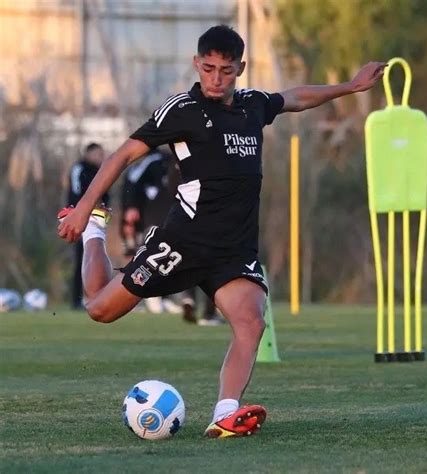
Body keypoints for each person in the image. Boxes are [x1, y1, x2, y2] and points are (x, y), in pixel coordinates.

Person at [58, 25, 385, 438]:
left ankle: (224, 414)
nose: (216, 78)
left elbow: (296, 98)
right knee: (99, 308)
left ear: (240, 69)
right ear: (197, 64)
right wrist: (85, 210)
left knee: (251, 322)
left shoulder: (252, 106)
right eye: (208, 68)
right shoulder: (181, 110)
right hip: (183, 242)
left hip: (233, 248)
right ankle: (95, 233)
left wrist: (351, 87)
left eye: (226, 70)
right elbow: (123, 154)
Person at [120, 149, 225, 325]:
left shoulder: (174, 160)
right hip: (180, 216)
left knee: (176, 256)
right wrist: (130, 206)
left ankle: (177, 297)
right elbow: (132, 179)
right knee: (202, 258)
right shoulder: (160, 161)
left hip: (176, 216)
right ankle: (150, 295)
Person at [66, 143, 109, 309]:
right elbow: (76, 192)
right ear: (88, 154)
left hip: (98, 218)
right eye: (98, 154)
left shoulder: (101, 171)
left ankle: (97, 296)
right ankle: (77, 299)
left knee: (98, 256)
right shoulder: (79, 169)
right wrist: (78, 213)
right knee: (82, 258)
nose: (101, 157)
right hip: (80, 219)